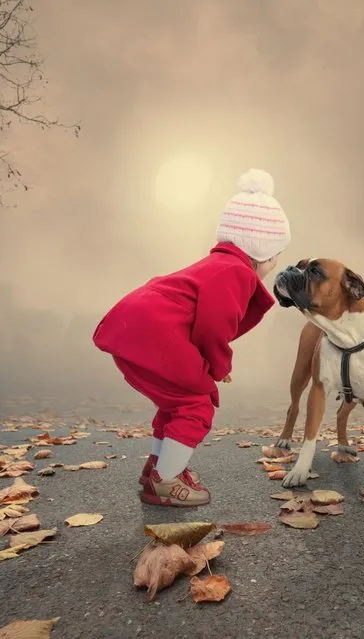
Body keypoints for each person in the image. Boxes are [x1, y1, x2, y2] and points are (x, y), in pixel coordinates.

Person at [93, 168, 291, 507]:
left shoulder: (219, 264)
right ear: (267, 252)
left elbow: (200, 322)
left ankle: (158, 467)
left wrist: (213, 362)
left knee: (176, 402)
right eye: (277, 253)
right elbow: (214, 327)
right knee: (196, 404)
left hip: (134, 331)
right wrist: (217, 365)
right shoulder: (237, 272)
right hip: (154, 335)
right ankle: (165, 482)